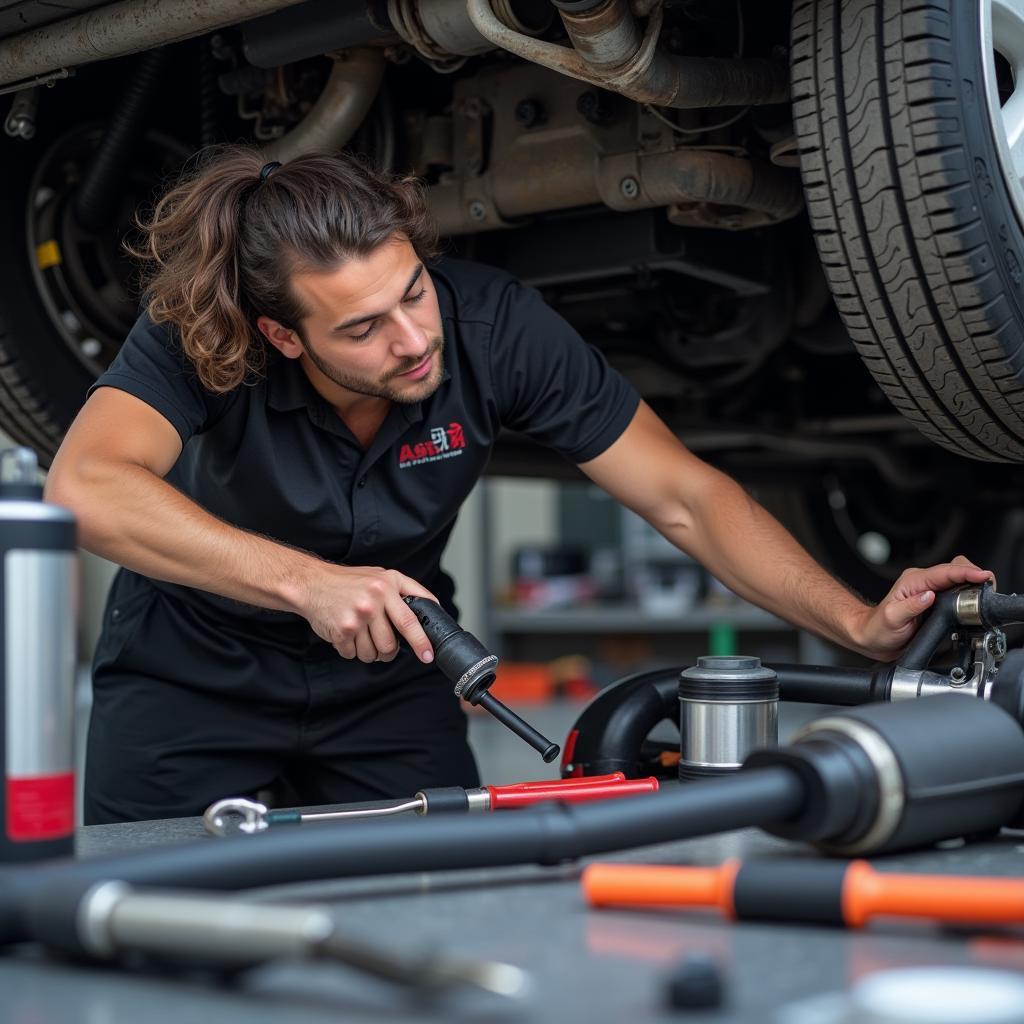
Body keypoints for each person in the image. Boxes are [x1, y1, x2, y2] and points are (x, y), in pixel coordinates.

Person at [45, 147, 993, 824]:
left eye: (412, 293)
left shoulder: (493, 328)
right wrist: (311, 584)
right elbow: (86, 486)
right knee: (150, 933)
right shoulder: (200, 338)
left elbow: (684, 496)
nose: (414, 340)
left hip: (388, 684)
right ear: (282, 336)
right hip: (189, 678)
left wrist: (857, 622)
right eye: (363, 328)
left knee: (437, 908)